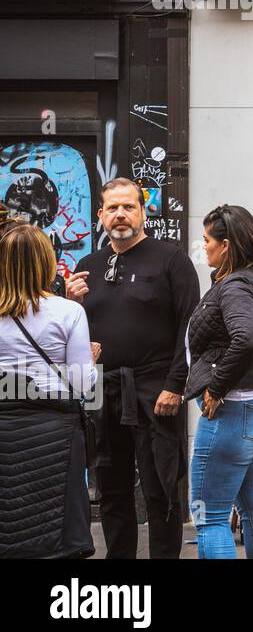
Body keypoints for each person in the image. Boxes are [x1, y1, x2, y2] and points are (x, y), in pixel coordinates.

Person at [62, 178, 198, 560]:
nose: (121, 214)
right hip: (104, 391)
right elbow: (70, 332)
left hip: (156, 390)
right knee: (111, 485)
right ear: (101, 215)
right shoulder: (87, 266)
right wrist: (69, 302)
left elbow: (190, 327)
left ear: (143, 211)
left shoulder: (171, 260)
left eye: (129, 207)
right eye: (113, 208)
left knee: (161, 486)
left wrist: (175, 384)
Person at [185, 205, 253, 560]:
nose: (204, 248)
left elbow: (246, 338)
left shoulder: (234, 285)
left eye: (207, 241)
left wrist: (217, 387)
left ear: (227, 245)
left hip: (238, 409)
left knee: (209, 515)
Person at [0, 223, 97, 559]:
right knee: (56, 534)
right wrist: (92, 360)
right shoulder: (69, 311)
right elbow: (84, 385)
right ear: (47, 262)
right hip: (56, 432)